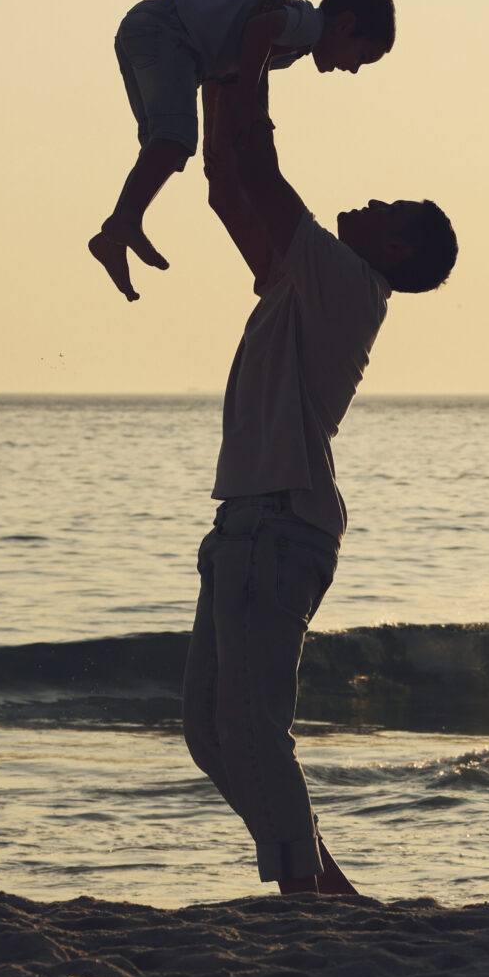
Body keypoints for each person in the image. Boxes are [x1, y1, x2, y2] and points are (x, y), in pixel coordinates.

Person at [183, 67, 457, 894]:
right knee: (209, 732)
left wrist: (256, 62)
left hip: (277, 523)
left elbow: (261, 176)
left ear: (395, 249)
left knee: (253, 730)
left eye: (388, 212)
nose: (368, 204)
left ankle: (305, 889)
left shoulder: (345, 280)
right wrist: (219, 79)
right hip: (247, 523)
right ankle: (319, 875)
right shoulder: (306, 280)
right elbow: (228, 188)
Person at [89, 0, 396, 301]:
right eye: (361, 57)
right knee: (173, 138)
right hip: (167, 32)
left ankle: (114, 236)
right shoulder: (306, 25)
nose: (353, 70)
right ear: (345, 26)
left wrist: (218, 139)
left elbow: (228, 70)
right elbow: (258, 31)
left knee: (162, 144)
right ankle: (125, 220)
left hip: (145, 31)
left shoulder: (294, 43)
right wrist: (250, 102)